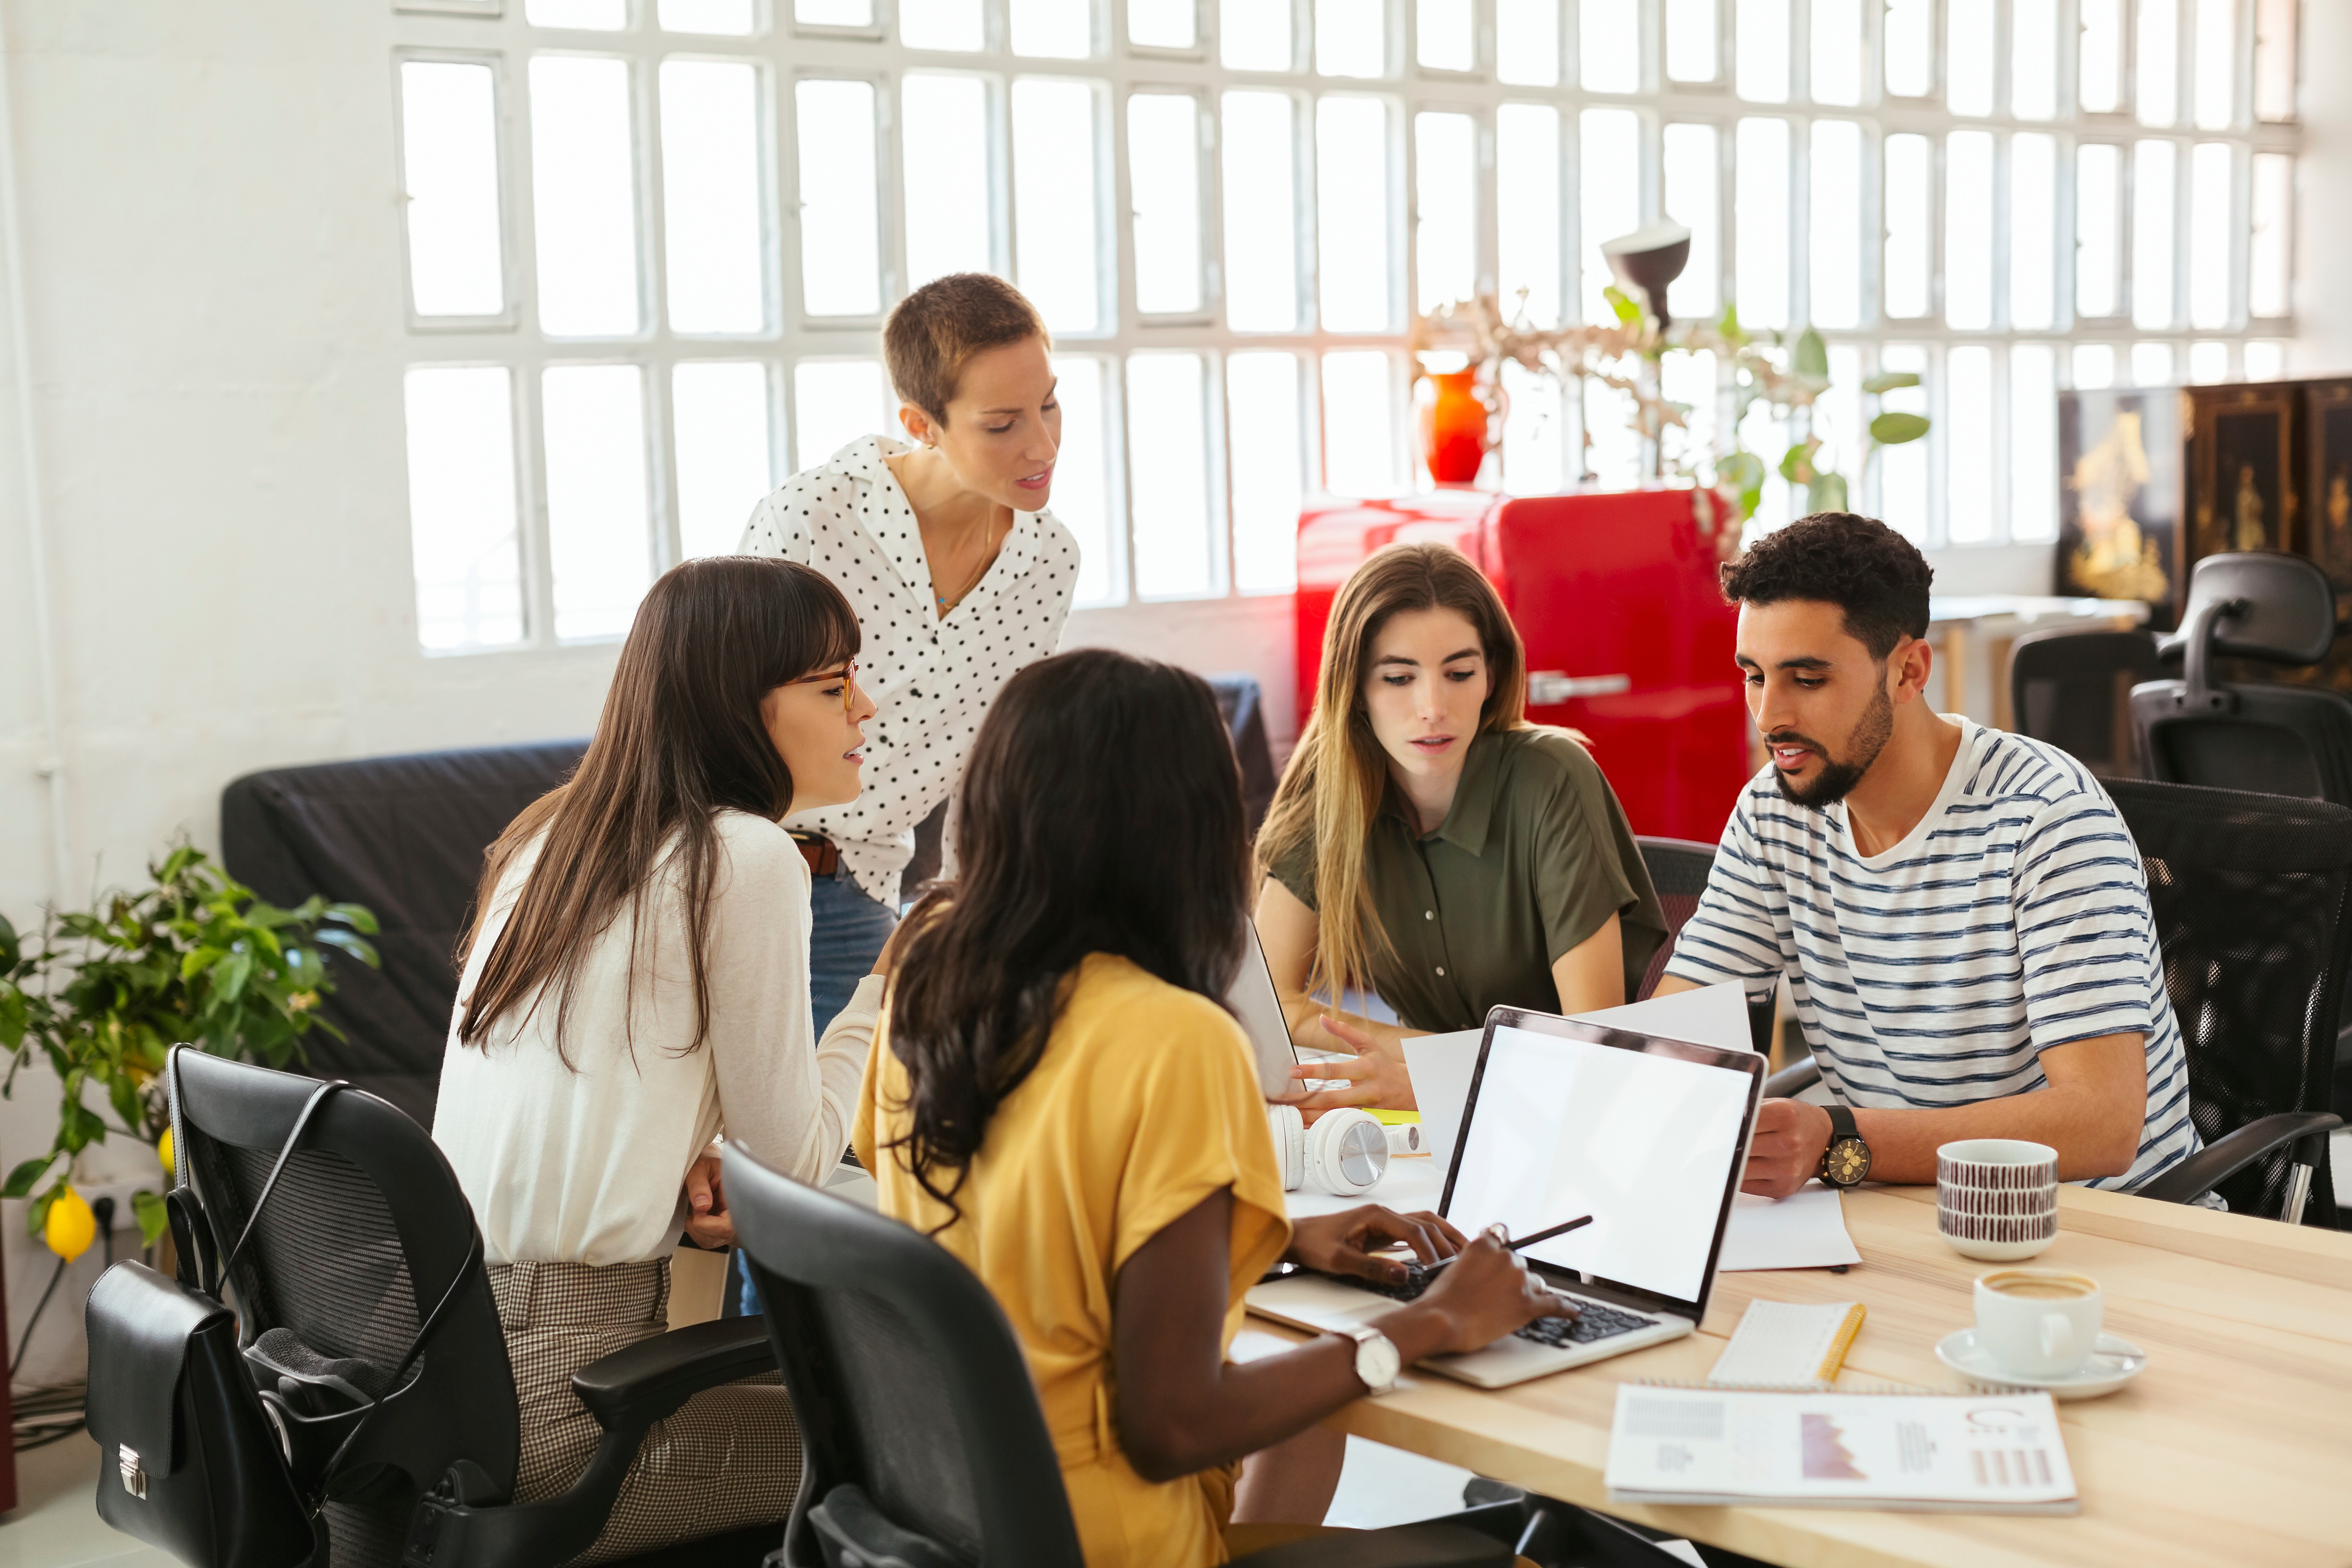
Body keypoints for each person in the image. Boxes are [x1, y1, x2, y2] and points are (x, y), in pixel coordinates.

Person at [853, 650, 1570, 1567]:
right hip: (1116, 1540)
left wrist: (1268, 1232)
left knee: (1310, 1407)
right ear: (1179, 830)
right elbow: (1174, 1425)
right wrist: (1431, 1323)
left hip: (970, 1518)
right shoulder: (1177, 1039)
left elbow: (1004, 1228)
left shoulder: (930, 972)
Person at [432, 556, 876, 1563]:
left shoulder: (553, 839)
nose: (867, 706)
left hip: (453, 1379)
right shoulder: (745, 856)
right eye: (829, 685)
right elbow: (799, 1164)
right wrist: (885, 998)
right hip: (576, 1417)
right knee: (945, 1436)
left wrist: (703, 1148)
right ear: (736, 709)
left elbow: (606, 1093)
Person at [1653, 511, 2201, 1197]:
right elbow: (1674, 1034)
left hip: (2103, 1233)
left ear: (1909, 671)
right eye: (1755, 676)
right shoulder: (1775, 812)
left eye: (1808, 679)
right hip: (1911, 1211)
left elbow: (2102, 1125)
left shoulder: (2046, 816)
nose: (1769, 717)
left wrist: (1839, 1141)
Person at [737, 272, 1080, 1033]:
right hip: (740, 876)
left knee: (869, 1138)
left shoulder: (1048, 560)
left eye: (1050, 403)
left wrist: (968, 917)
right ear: (923, 424)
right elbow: (718, 712)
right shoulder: (812, 521)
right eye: (1002, 424)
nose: (1043, 444)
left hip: (863, 885)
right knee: (752, 1145)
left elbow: (998, 754)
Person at [1253, 543, 1670, 1112]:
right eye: (1399, 678)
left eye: (1459, 673)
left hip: (1588, 1117)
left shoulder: (1552, 778)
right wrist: (1441, 1064)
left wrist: (1439, 1077)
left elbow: (1592, 1052)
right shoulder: (1329, 792)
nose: (1432, 706)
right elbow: (1271, 1001)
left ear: (1492, 678)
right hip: (1435, 1133)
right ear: (1356, 690)